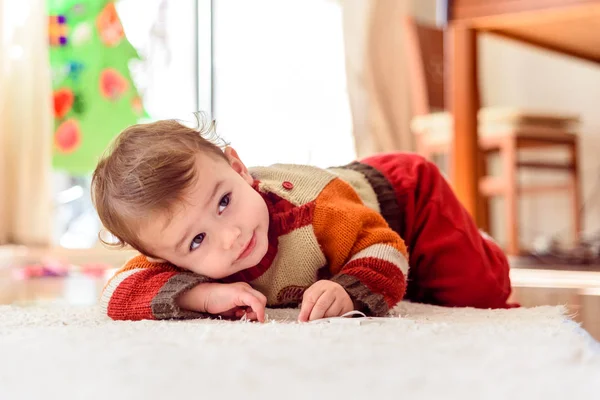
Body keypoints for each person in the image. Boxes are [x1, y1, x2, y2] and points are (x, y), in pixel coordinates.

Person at [92, 118, 515, 323]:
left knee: (477, 293)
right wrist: (200, 296)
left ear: (240, 170)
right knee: (401, 285)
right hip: (353, 222)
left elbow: (382, 247)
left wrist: (348, 290)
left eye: (224, 202)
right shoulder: (173, 240)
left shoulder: (315, 211)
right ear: (162, 254)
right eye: (198, 240)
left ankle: (479, 244)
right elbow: (115, 293)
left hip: (405, 199)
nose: (231, 235)